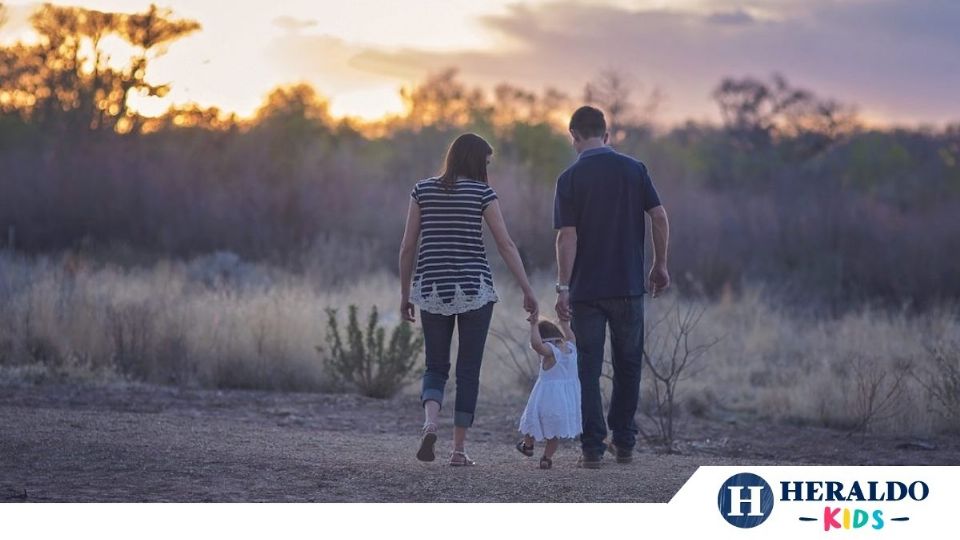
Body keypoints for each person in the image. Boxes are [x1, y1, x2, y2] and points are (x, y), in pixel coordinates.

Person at [398, 133, 539, 467]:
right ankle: (458, 451)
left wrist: (405, 294)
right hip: (475, 289)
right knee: (468, 370)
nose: (488, 169)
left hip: (432, 288)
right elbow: (505, 245)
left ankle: (431, 422)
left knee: (435, 365)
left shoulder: (422, 190)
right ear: (476, 161)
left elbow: (407, 247)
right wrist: (527, 289)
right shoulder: (482, 193)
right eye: (486, 162)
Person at [553, 106, 671, 469]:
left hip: (587, 291)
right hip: (628, 287)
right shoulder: (634, 170)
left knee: (587, 369)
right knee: (628, 365)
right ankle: (624, 443)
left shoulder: (569, 178)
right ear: (607, 135)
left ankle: (592, 448)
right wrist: (659, 264)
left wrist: (562, 287)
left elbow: (566, 237)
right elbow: (660, 217)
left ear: (573, 135)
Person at [516, 317, 582, 470]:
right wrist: (564, 323)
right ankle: (546, 458)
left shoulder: (550, 352)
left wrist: (533, 326)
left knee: (531, 423)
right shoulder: (571, 348)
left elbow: (536, 345)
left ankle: (528, 446)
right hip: (565, 401)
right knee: (554, 434)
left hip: (546, 399)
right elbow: (571, 335)